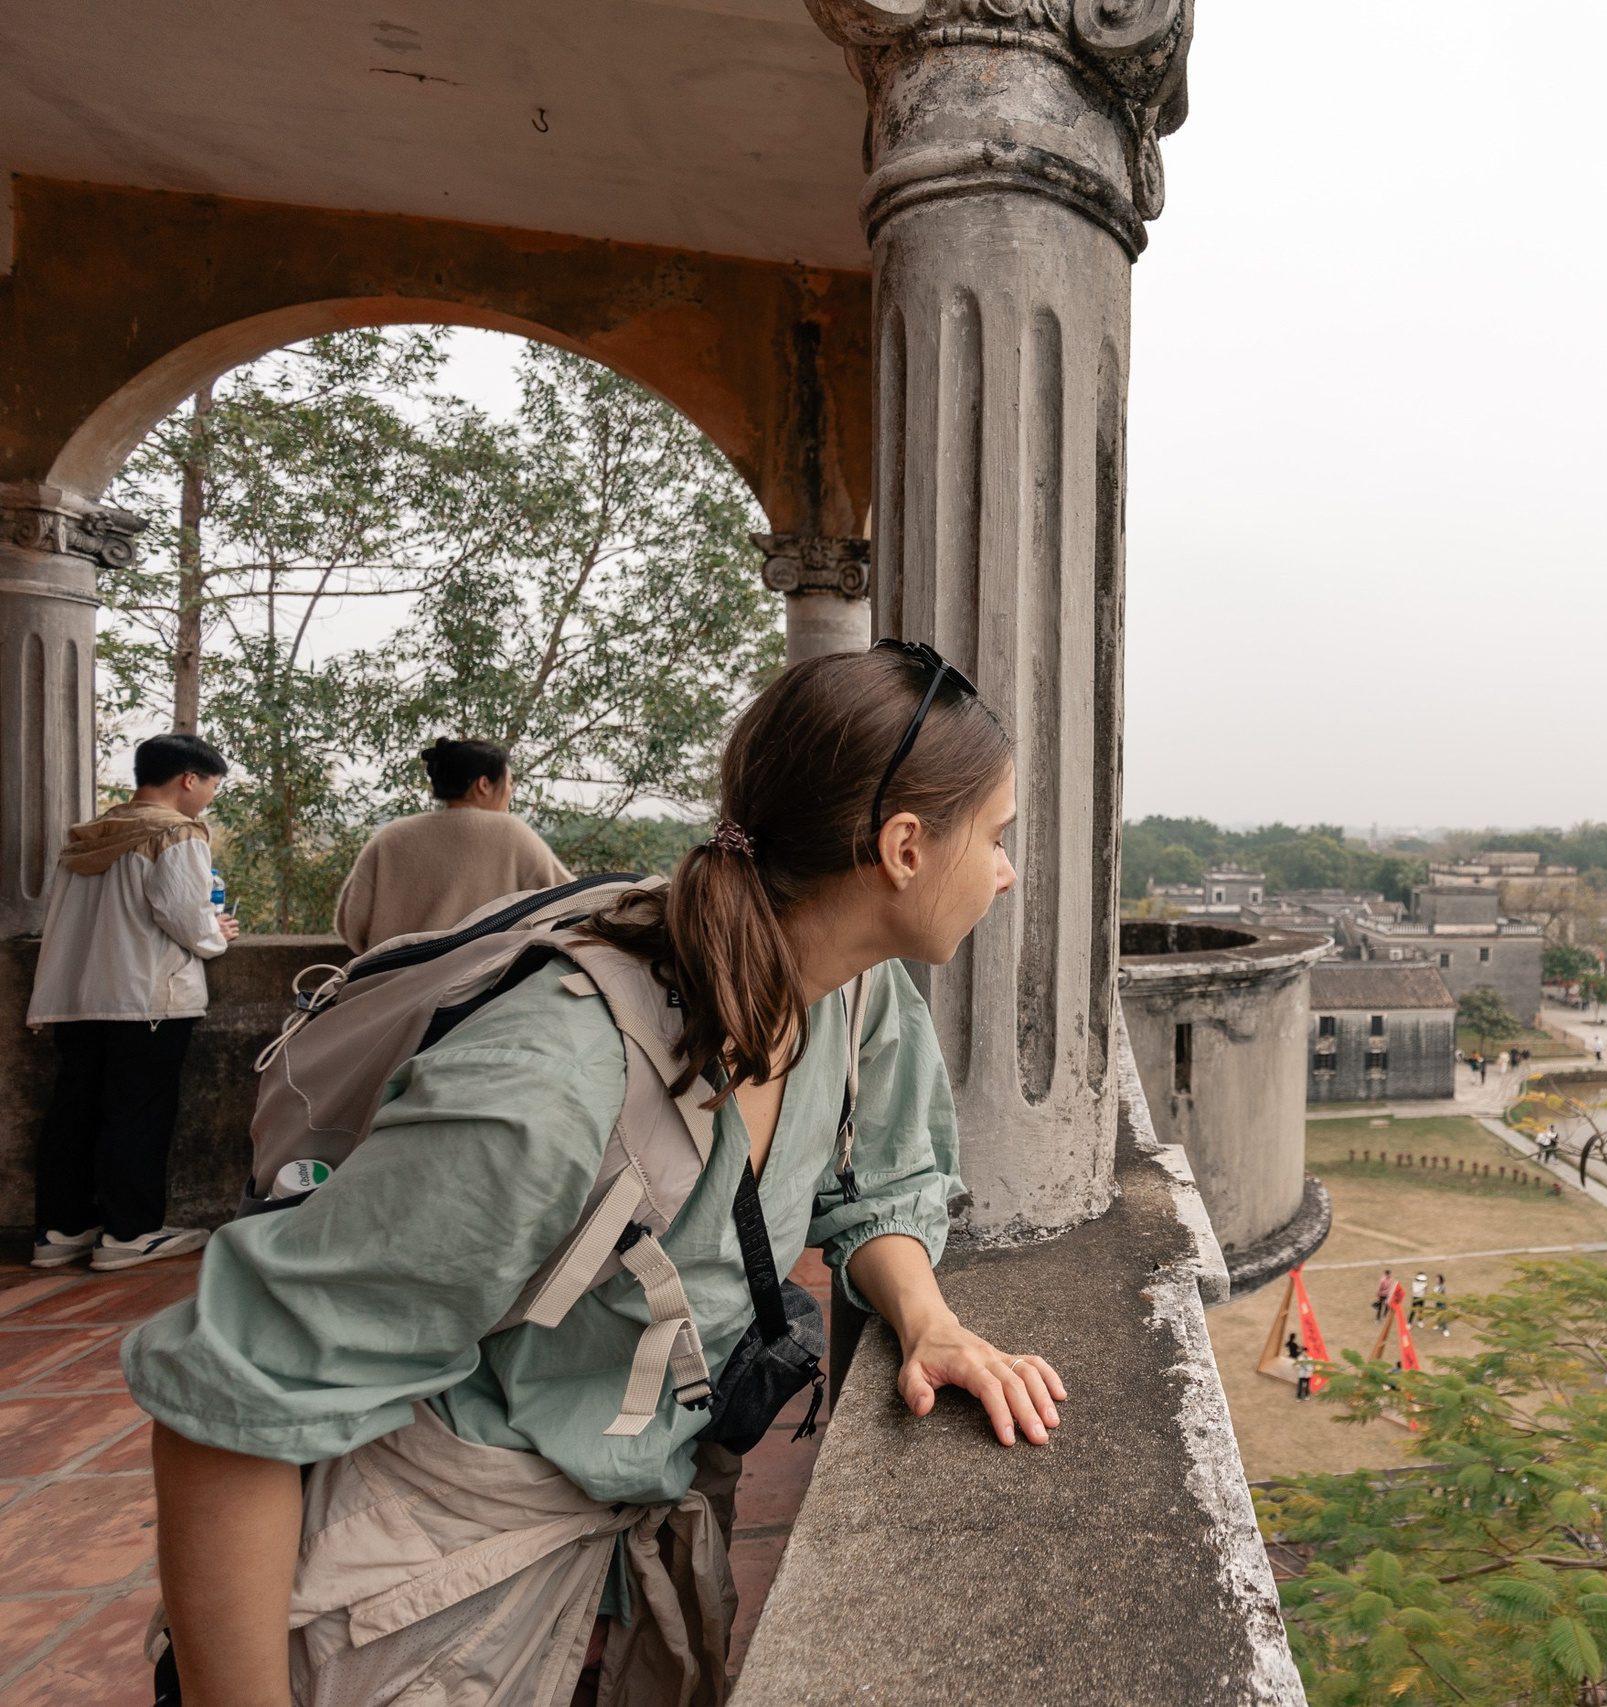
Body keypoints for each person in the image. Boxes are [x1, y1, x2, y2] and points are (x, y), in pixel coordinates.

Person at [129, 643, 1065, 1707]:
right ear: (903, 848)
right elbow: (235, 1397)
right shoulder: (553, 1081)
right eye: (994, 838)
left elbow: (874, 1186)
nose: (1004, 870)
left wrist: (927, 1317)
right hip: (423, 1581)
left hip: (620, 1554)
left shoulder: (852, 999)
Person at [26, 732, 243, 1272]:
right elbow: (184, 916)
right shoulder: (177, 833)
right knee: (137, 1116)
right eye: (212, 785)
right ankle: (129, 1232)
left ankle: (61, 1229)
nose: (210, 796)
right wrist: (217, 932)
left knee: (73, 1113)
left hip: (78, 995)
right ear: (188, 779)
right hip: (147, 997)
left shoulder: (90, 834)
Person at [332, 738, 574, 955]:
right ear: (484, 785)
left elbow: (351, 924)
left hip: (388, 992)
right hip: (475, 994)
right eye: (509, 783)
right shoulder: (509, 832)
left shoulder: (390, 837)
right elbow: (575, 903)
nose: (511, 792)